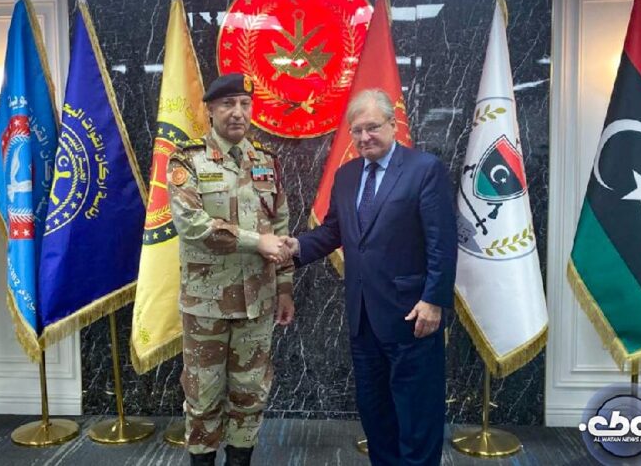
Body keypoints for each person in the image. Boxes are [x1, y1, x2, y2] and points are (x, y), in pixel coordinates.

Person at [285, 89, 457, 465]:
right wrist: (294, 247)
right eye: (357, 130)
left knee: (417, 417)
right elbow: (332, 231)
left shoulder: (424, 169)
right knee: (376, 415)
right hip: (363, 319)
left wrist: (433, 300)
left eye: (372, 127)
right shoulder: (347, 175)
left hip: (412, 317)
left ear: (393, 125)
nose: (364, 137)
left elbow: (442, 242)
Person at [167, 73, 295, 466]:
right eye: (227, 104)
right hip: (206, 306)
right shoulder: (187, 160)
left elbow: (281, 226)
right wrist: (255, 241)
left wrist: (285, 287)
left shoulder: (266, 161)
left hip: (258, 301)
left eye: (244, 104)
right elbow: (192, 226)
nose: (237, 112)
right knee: (203, 397)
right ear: (210, 110)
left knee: (250, 395)